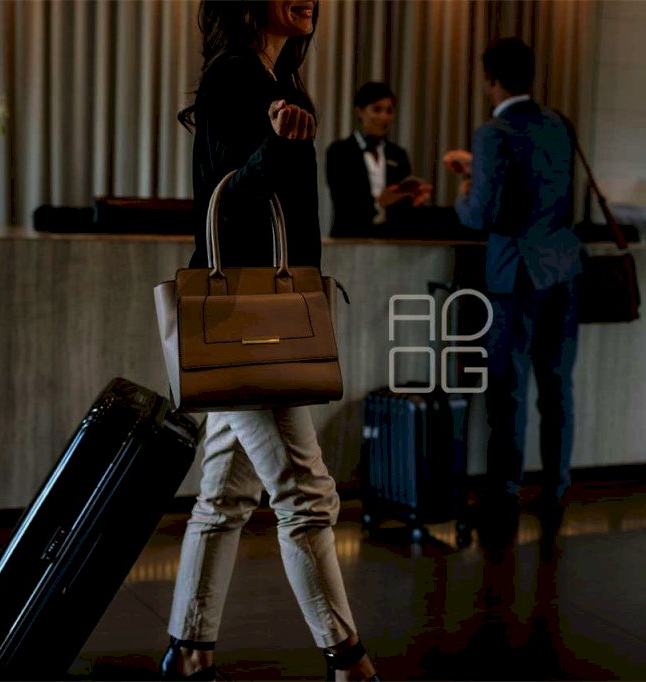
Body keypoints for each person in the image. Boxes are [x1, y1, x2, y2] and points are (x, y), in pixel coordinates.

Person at [162, 2, 379, 680]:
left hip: (258, 318)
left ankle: (188, 650)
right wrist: (280, 146)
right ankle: (349, 663)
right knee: (307, 495)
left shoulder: (275, 80)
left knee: (225, 496)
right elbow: (225, 197)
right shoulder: (235, 76)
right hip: (251, 324)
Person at [443, 37, 583, 554]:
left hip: (516, 275)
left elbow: (483, 215)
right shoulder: (559, 125)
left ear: (490, 80)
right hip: (564, 271)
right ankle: (557, 488)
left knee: (509, 391)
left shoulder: (492, 132)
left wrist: (463, 192)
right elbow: (553, 196)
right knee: (557, 386)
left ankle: (504, 493)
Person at [326, 81, 432, 237]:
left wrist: (414, 197)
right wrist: (380, 203)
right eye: (377, 109)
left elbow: (403, 205)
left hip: (391, 239)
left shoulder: (398, 154)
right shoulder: (340, 151)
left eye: (389, 111)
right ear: (360, 111)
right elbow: (343, 201)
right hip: (349, 238)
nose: (384, 117)